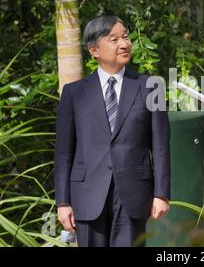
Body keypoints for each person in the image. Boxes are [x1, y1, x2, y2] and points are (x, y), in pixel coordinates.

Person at [54, 15, 170, 247]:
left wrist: (162, 193)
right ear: (94, 50)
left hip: (133, 193)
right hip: (86, 195)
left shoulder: (151, 86)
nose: (124, 44)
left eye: (126, 37)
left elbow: (160, 145)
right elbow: (64, 151)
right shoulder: (74, 93)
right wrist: (63, 202)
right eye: (114, 39)